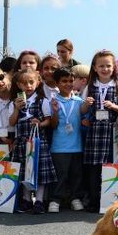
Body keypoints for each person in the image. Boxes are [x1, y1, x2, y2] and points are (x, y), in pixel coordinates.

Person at [80, 50, 118, 213]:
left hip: (111, 132)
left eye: (108, 65)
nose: (105, 69)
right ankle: (93, 201)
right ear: (95, 67)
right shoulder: (90, 86)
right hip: (94, 132)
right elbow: (81, 110)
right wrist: (87, 103)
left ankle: (110, 202)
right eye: (101, 66)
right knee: (93, 168)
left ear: (114, 68)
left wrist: (114, 106)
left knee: (110, 167)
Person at [9, 69, 56, 213]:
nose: (28, 85)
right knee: (24, 171)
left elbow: (48, 121)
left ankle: (40, 201)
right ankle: (27, 199)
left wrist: (39, 123)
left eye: (31, 82)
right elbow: (11, 122)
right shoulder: (15, 102)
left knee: (39, 171)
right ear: (18, 84)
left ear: (38, 82)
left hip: (38, 141)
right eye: (24, 83)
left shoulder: (43, 101)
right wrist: (17, 109)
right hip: (22, 142)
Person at [48, 67, 85, 212]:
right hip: (59, 146)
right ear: (57, 83)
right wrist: (55, 112)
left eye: (70, 81)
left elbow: (84, 116)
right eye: (64, 81)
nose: (68, 84)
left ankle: (75, 198)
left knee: (76, 175)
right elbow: (53, 125)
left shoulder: (79, 101)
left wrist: (87, 104)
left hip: (77, 145)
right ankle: (55, 199)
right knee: (60, 175)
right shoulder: (52, 101)